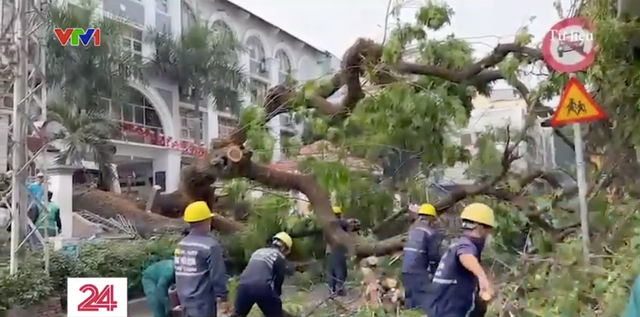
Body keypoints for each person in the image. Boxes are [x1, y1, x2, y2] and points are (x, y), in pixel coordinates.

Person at [426, 203, 496, 317]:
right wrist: (482, 278)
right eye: (489, 230)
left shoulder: (457, 243)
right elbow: (465, 256)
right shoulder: (466, 245)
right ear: (481, 228)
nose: (489, 234)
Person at [174, 201, 229, 317]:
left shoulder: (181, 245)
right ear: (206, 221)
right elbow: (217, 276)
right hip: (202, 304)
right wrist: (223, 298)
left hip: (184, 302)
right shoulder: (210, 246)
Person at [232, 232, 294, 317]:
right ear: (284, 248)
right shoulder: (278, 256)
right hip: (261, 286)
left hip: (243, 285)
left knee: (238, 314)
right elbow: (278, 280)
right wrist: (275, 298)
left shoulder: (258, 251)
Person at [401, 203, 442, 311]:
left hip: (405, 270)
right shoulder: (431, 233)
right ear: (432, 218)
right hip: (419, 272)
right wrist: (435, 272)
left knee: (410, 301)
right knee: (424, 303)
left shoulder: (412, 230)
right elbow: (433, 255)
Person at [327, 206, 351, 296]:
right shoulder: (336, 223)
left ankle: (331, 289)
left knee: (331, 271)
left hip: (330, 251)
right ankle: (339, 288)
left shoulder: (328, 223)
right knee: (340, 270)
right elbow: (343, 223)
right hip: (337, 250)